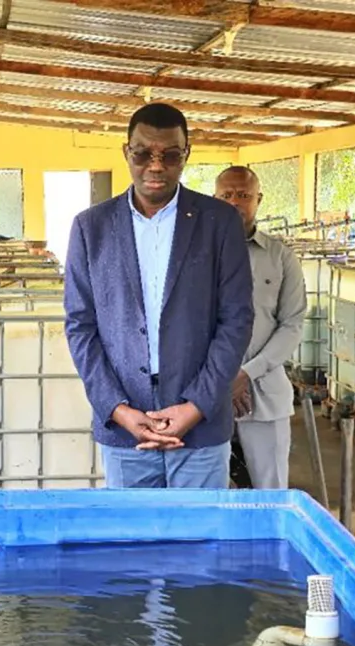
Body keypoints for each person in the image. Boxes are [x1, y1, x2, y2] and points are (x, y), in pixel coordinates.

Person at [64, 103, 253, 489]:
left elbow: (236, 320)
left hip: (199, 430)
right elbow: (80, 327)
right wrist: (117, 409)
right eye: (142, 153)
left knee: (200, 543)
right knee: (135, 545)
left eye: (170, 155)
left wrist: (196, 406)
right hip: (125, 430)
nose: (156, 165)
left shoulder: (219, 223)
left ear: (186, 155)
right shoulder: (90, 228)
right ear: (126, 152)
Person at [214, 166, 305, 490]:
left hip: (265, 394)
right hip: (209, 394)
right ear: (215, 198)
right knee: (211, 494)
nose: (235, 202)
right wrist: (223, 377)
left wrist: (246, 374)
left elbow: (292, 324)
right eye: (226, 195)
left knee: (271, 491)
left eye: (244, 195)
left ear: (259, 199)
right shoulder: (197, 254)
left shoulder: (281, 257)